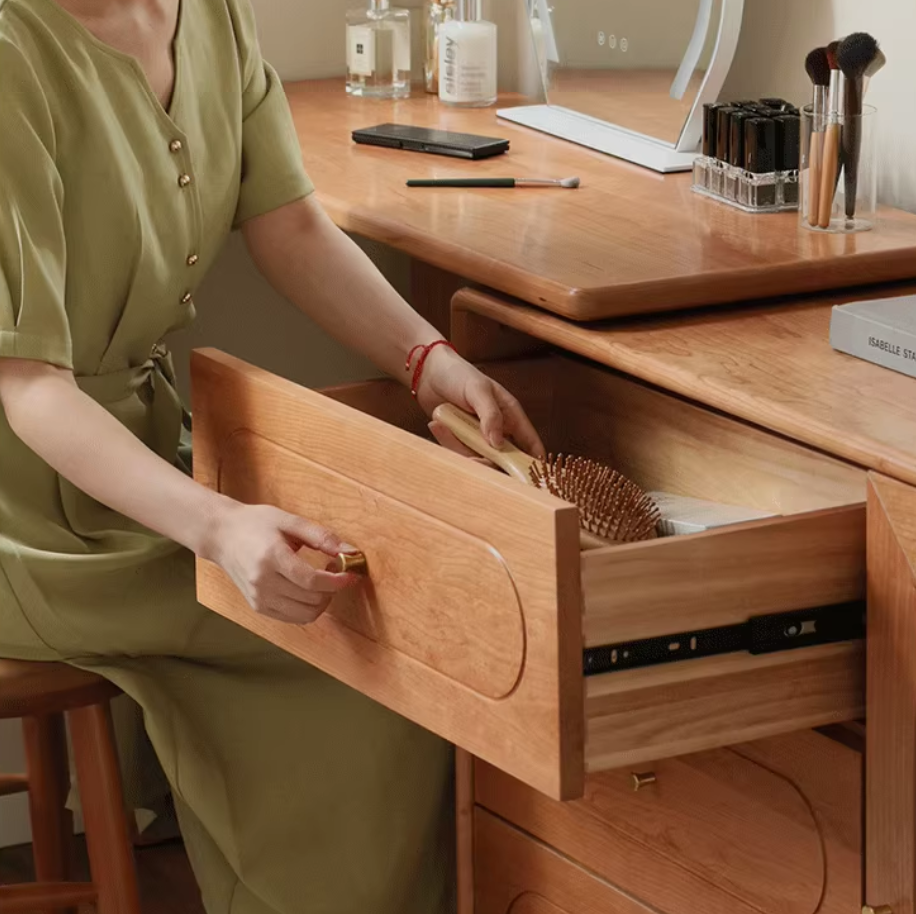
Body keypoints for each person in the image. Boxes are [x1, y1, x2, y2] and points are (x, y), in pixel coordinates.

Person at [0, 0, 545, 910]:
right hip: (23, 511)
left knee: (382, 593)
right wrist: (218, 529)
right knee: (370, 647)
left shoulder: (211, 14)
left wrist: (428, 362)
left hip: (138, 455)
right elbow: (28, 389)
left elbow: (288, 223)